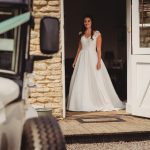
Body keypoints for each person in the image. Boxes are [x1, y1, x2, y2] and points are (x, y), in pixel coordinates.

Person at [67, 15, 125, 111]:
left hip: (92, 58)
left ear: (92, 22)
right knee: (81, 79)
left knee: (96, 79)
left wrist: (98, 61)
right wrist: (75, 60)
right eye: (85, 21)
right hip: (82, 59)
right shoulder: (81, 34)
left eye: (88, 21)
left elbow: (98, 49)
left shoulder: (97, 34)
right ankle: (80, 103)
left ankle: (97, 101)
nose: (86, 23)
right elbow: (79, 48)